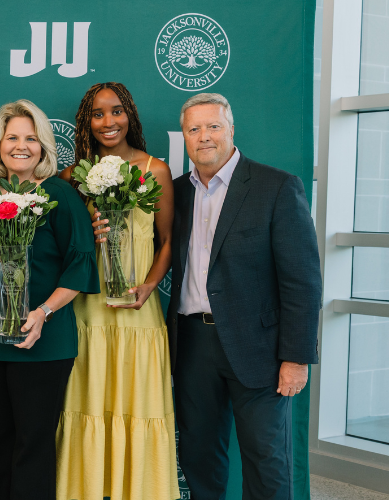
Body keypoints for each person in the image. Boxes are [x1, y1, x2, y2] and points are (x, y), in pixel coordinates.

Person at [168, 93, 321, 499]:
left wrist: (296, 357)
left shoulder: (277, 187)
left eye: (213, 126)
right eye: (194, 129)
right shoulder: (175, 194)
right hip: (192, 345)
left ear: (231, 130)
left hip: (261, 348)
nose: (204, 136)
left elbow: (303, 281)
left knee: (267, 460)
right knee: (198, 456)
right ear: (184, 137)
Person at [0, 99, 99, 499]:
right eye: (12, 138)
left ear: (43, 148)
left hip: (44, 341)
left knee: (33, 448)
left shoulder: (59, 195)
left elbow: (81, 265)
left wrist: (43, 313)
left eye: (31, 139)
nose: (21, 146)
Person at [55, 82, 179, 500]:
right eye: (98, 113)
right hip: (87, 313)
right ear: (86, 122)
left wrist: (148, 287)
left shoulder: (155, 169)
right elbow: (63, 249)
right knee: (88, 404)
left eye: (116, 111)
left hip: (138, 313)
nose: (108, 122)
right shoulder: (71, 178)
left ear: (131, 115)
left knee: (138, 406)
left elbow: (166, 242)